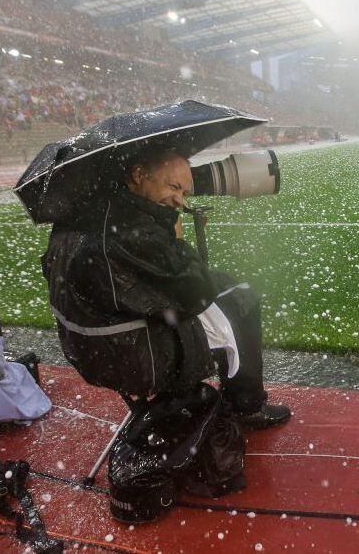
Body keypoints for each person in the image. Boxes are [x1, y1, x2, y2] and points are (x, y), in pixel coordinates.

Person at [41, 148, 290, 429]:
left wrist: (163, 228)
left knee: (226, 285)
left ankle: (232, 399)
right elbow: (197, 293)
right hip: (132, 353)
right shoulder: (134, 231)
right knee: (242, 300)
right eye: (173, 187)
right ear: (137, 175)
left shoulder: (84, 210)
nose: (179, 200)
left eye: (184, 192)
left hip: (86, 345)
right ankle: (246, 406)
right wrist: (176, 238)